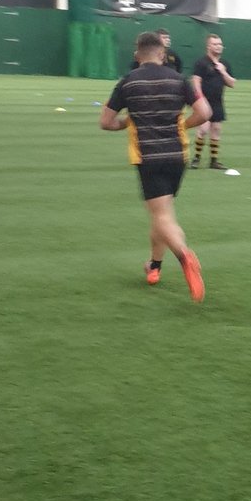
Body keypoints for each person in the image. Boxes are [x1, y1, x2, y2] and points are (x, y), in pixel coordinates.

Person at [99, 30, 213, 302]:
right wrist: (182, 125)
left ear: (137, 54)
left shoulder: (127, 82)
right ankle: (154, 266)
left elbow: (106, 121)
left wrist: (128, 122)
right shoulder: (178, 79)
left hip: (148, 156)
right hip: (178, 156)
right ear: (162, 54)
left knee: (162, 216)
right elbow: (205, 113)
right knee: (162, 214)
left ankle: (185, 256)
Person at [190, 34, 236, 170]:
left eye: (220, 44)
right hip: (204, 100)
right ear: (208, 46)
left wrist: (223, 72)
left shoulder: (225, 64)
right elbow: (196, 81)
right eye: (215, 44)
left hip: (217, 101)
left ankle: (214, 161)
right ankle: (196, 158)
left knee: (216, 129)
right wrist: (199, 98)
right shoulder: (201, 62)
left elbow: (232, 83)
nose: (218, 47)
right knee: (203, 129)